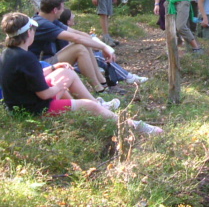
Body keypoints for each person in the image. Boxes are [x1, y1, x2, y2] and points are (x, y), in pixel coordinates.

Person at [0, 12, 162, 134]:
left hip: (19, 106)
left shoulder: (8, 53)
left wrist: (54, 68)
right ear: (29, 33)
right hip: (36, 110)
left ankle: (84, 110)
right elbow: (44, 94)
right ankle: (134, 126)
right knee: (89, 106)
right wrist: (60, 86)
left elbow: (28, 75)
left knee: (66, 72)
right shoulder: (27, 57)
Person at [30, 0, 115, 93]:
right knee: (79, 49)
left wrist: (103, 46)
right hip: (39, 67)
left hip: (45, 61)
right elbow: (75, 38)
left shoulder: (48, 19)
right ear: (55, 10)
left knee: (84, 44)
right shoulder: (42, 24)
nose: (63, 10)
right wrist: (103, 48)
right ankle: (99, 89)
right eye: (62, 8)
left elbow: (78, 33)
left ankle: (102, 82)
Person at [58, 8, 148, 85]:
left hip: (73, 60)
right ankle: (128, 77)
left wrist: (99, 45)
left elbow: (82, 35)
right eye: (72, 15)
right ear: (68, 21)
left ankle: (116, 77)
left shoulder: (64, 29)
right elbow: (73, 45)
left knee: (97, 54)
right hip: (69, 63)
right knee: (98, 57)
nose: (74, 16)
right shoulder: (61, 33)